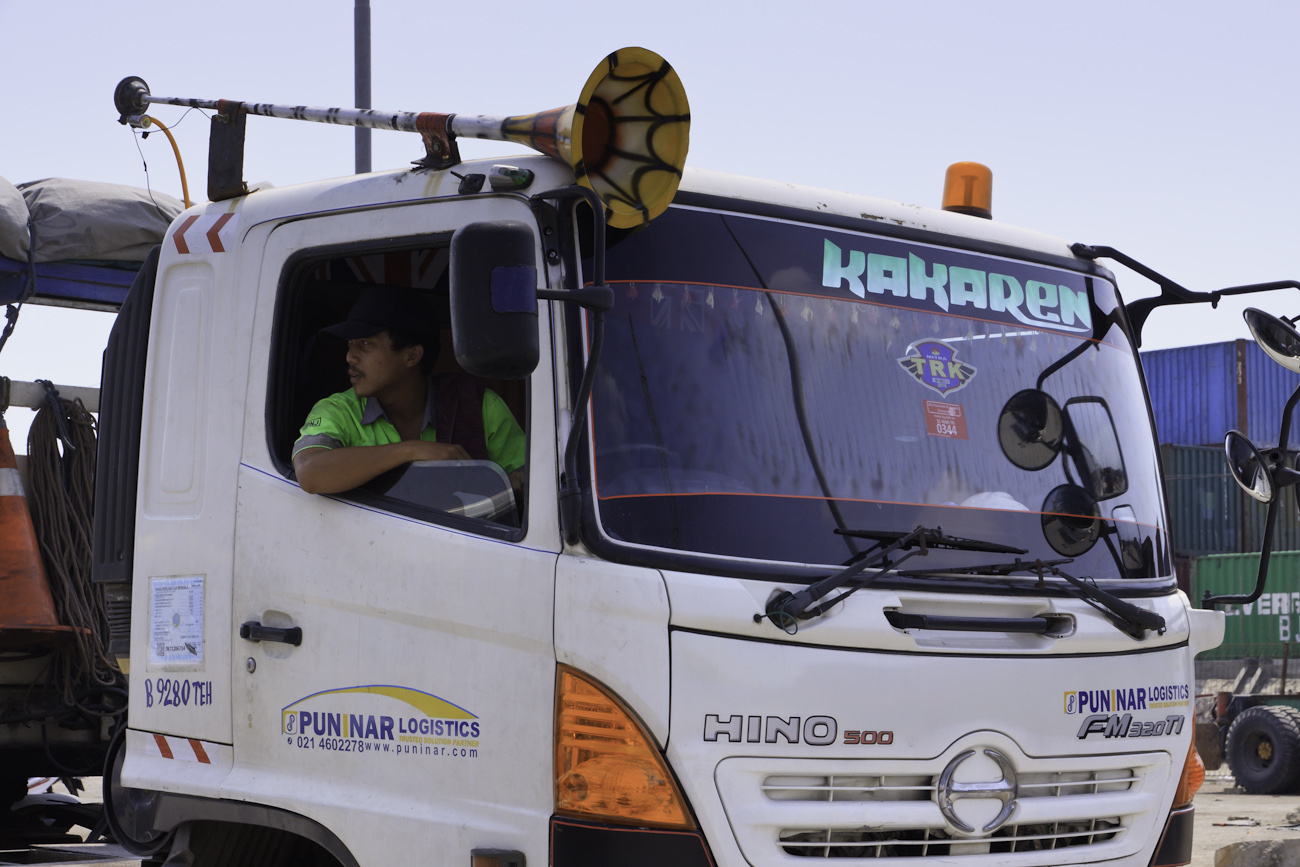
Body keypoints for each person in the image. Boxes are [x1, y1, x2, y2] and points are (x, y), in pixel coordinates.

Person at [292, 286, 525, 496]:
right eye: (350, 344)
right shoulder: (337, 411)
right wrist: (410, 450)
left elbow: (530, 480)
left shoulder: (476, 405)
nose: (349, 357)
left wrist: (508, 485)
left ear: (412, 355)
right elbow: (309, 471)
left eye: (365, 344)